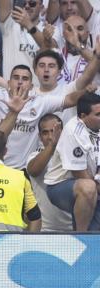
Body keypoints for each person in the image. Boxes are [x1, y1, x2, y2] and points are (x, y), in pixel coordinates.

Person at [44, 92, 100, 230]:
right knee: (88, 188)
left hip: (93, 184)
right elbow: (80, 174)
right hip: (60, 185)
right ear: (82, 116)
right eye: (98, 114)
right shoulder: (73, 131)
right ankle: (80, 235)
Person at [27, 114, 73, 231]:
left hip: (75, 229)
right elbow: (34, 171)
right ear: (40, 136)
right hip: (45, 230)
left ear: (62, 132)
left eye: (54, 131)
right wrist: (53, 145)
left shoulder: (74, 156)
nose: (50, 136)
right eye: (45, 132)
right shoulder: (34, 157)